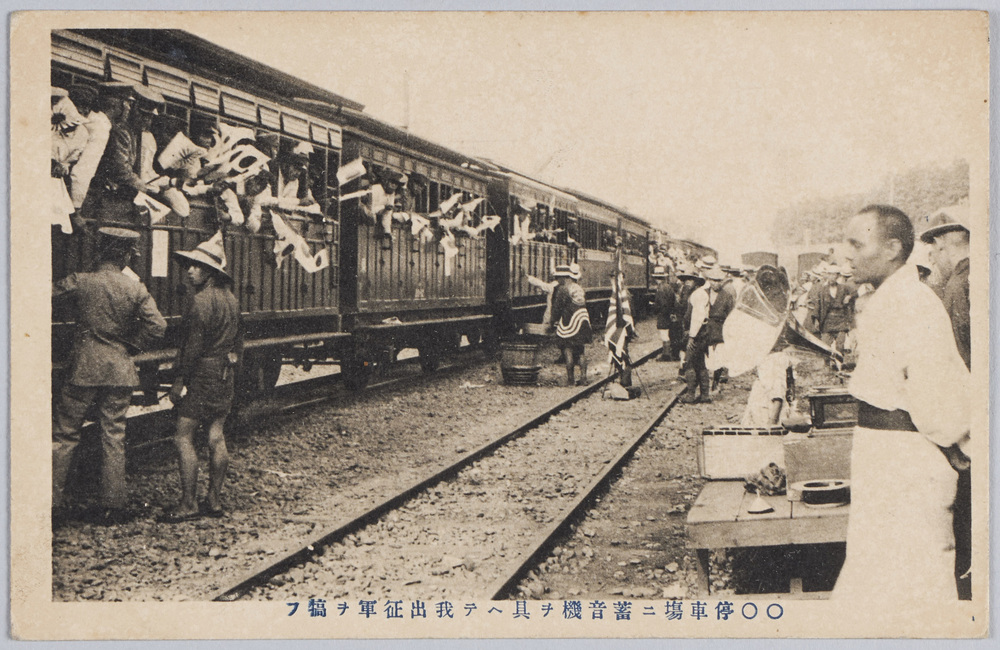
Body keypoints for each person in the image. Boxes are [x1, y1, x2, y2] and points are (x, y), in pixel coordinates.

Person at [834, 204, 970, 603]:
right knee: (882, 577)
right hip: (889, 458)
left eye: (857, 244)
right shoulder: (892, 299)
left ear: (892, 248)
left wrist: (960, 445)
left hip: (907, 463)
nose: (848, 255)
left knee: (915, 582)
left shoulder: (913, 302)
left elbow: (939, 400)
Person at [52, 227, 167, 525]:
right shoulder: (134, 288)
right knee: (113, 435)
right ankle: (113, 506)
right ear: (126, 255)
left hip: (83, 368)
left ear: (100, 251)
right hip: (119, 369)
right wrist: (131, 344)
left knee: (66, 434)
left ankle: (53, 503)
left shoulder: (82, 281)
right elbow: (158, 325)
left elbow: (46, 293)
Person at [161, 233, 243, 522]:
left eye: (196, 266)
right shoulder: (232, 300)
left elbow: (192, 348)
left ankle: (188, 504)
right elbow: (238, 342)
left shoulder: (200, 302)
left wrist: (179, 380)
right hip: (224, 373)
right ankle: (215, 500)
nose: (190, 270)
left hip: (201, 375)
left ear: (210, 272)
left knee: (183, 436)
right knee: (216, 435)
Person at [919, 204, 972, 600]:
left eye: (933, 251)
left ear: (944, 246)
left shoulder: (958, 284)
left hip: (974, 420)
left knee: (968, 521)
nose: (932, 259)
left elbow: (959, 357)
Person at [682, 257, 734, 403]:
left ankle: (692, 395)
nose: (716, 283)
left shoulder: (725, 296)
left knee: (692, 362)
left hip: (710, 333)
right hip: (704, 332)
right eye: (713, 280)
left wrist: (691, 337)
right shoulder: (703, 293)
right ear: (709, 280)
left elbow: (698, 318)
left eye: (718, 281)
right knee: (700, 363)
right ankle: (703, 394)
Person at [549, 263, 592, 386]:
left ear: (564, 277)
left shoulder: (563, 289)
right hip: (583, 320)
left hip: (570, 323)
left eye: (558, 277)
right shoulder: (579, 288)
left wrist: (552, 322)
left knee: (568, 349)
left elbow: (557, 308)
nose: (557, 280)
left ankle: (570, 380)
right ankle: (583, 378)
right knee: (581, 350)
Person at [812, 263, 855, 355]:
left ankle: (839, 365)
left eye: (833, 275)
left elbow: (856, 293)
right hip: (827, 320)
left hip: (841, 320)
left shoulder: (844, 288)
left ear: (838, 276)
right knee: (825, 345)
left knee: (840, 346)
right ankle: (827, 364)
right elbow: (818, 305)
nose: (831, 277)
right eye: (829, 274)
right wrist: (816, 319)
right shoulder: (822, 290)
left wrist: (849, 297)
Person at [651, 265, 677, 361]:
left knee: (664, 335)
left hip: (663, 315)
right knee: (667, 334)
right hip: (669, 314)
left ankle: (666, 355)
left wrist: (655, 307)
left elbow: (663, 304)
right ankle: (668, 353)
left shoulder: (661, 289)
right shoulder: (668, 287)